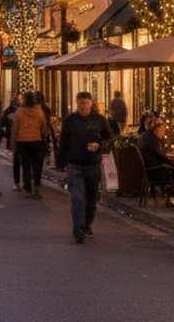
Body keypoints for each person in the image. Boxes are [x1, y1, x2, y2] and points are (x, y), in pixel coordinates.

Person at [58, 91, 112, 244]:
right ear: (77, 103)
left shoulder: (99, 120)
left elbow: (109, 138)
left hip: (92, 164)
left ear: (91, 103)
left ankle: (87, 224)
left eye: (86, 102)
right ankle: (78, 229)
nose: (83, 106)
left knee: (91, 197)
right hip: (75, 165)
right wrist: (61, 163)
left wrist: (99, 146)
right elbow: (63, 141)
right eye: (80, 103)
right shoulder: (70, 120)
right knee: (77, 197)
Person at [11, 92, 49, 199]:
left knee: (26, 166)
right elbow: (43, 126)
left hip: (23, 141)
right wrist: (44, 136)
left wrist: (13, 143)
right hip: (37, 141)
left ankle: (27, 188)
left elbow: (15, 128)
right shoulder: (39, 111)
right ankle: (37, 187)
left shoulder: (19, 112)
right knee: (37, 166)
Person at [138, 119, 174, 207]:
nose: (163, 134)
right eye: (162, 131)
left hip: (149, 170)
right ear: (157, 129)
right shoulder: (153, 140)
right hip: (155, 170)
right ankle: (173, 196)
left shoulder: (146, 136)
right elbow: (160, 156)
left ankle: (172, 196)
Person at [2, 94, 22, 190]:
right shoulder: (15, 111)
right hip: (18, 139)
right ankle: (19, 182)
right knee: (19, 161)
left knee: (18, 161)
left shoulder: (21, 111)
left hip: (19, 139)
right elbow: (3, 122)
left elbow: (2, 123)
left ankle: (18, 182)